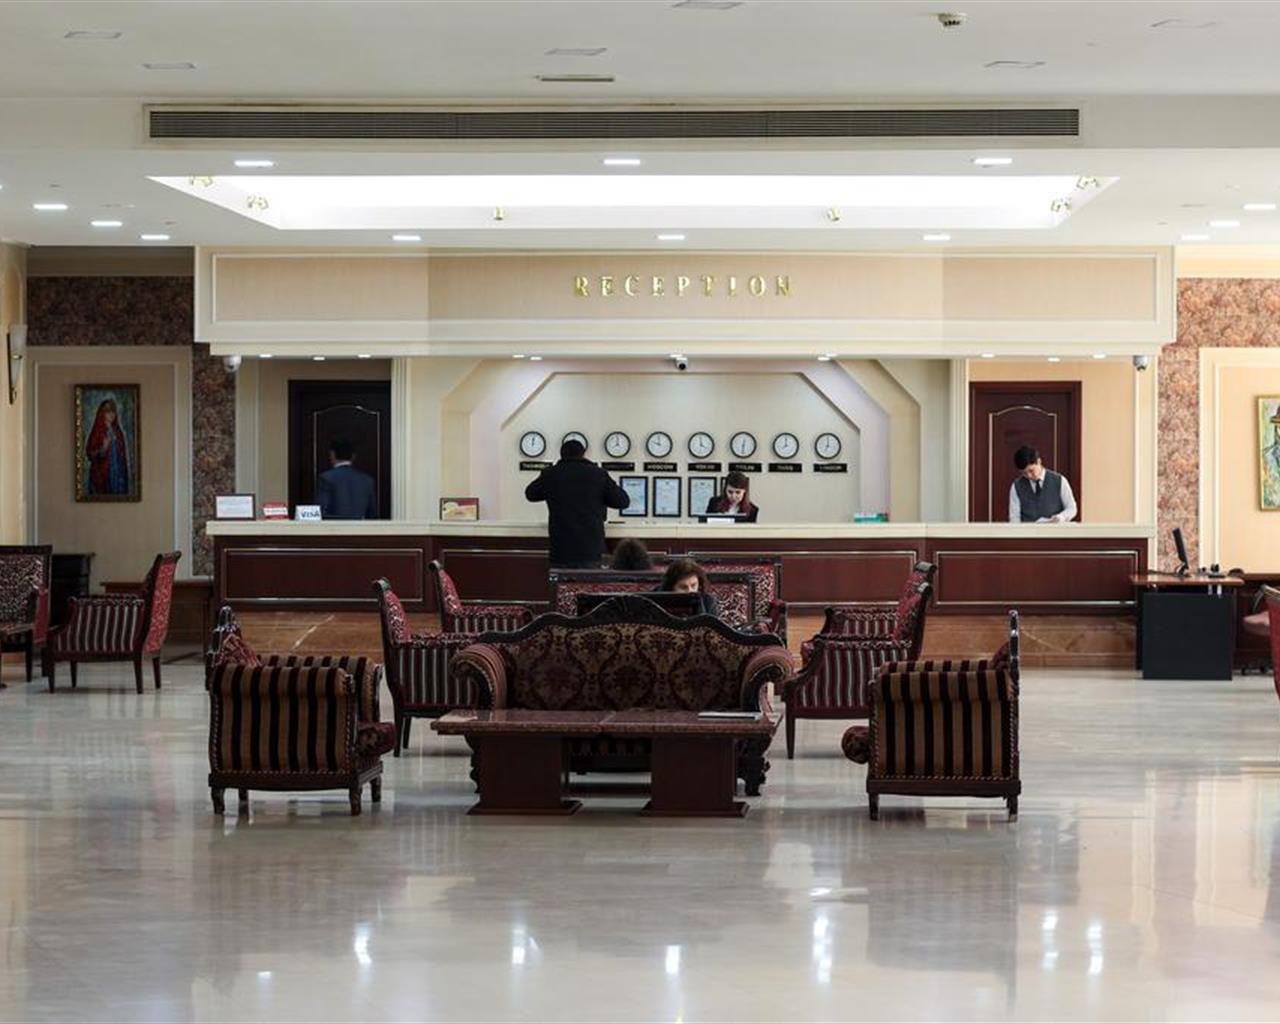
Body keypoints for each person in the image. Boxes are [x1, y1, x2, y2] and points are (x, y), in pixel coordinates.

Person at [525, 439, 630, 568]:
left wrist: (551, 490)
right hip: (591, 549)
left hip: (561, 549)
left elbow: (530, 494)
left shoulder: (550, 474)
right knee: (588, 580)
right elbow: (622, 501)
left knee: (560, 580)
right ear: (583, 454)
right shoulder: (598, 474)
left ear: (562, 454)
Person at [1008, 445, 1078, 523]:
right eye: (1024, 473)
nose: (1029, 475)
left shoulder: (1060, 480)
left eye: (1031, 470)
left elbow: (1072, 508)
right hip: (1028, 530)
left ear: (1039, 462)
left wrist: (1061, 517)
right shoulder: (1016, 486)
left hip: (1054, 529)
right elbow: (1014, 518)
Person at [317, 438, 377, 520]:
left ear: (332, 454)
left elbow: (320, 513)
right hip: (360, 527)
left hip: (334, 527)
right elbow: (372, 515)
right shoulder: (367, 480)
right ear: (353, 456)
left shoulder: (326, 478)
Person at [85, 398, 130, 496]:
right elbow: (89, 453)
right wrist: (103, 448)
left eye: (113, 411)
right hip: (102, 471)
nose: (111, 414)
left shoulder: (118, 432)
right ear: (102, 413)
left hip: (118, 470)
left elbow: (122, 454)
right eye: (108, 412)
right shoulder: (97, 431)